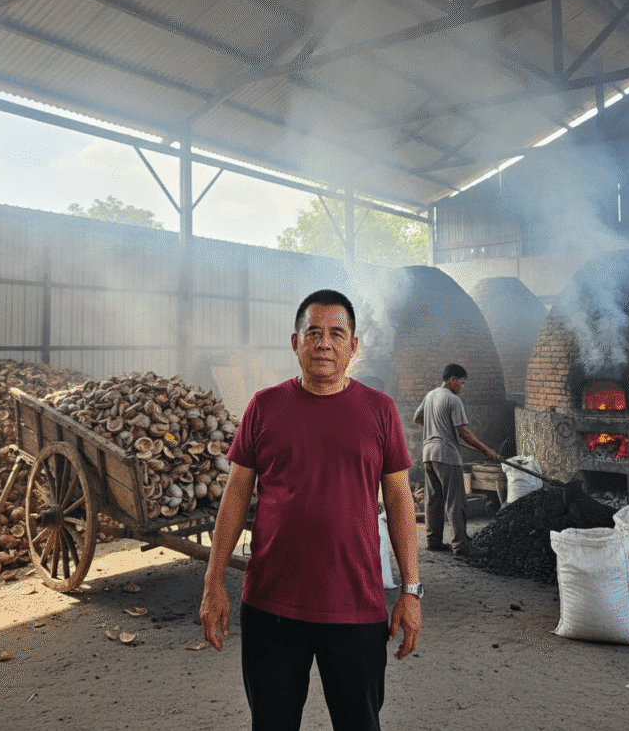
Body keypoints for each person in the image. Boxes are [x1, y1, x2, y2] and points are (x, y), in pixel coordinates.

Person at [200, 289, 421, 731]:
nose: (324, 344)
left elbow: (399, 499)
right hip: (272, 606)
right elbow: (236, 494)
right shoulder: (264, 406)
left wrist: (411, 591)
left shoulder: (379, 410)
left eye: (336, 334)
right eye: (313, 332)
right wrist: (213, 582)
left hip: (356, 606)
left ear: (353, 346)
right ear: (295, 342)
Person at [414, 363, 500, 556]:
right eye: (461, 383)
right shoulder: (453, 400)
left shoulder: (431, 395)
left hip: (428, 454)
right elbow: (463, 432)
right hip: (446, 455)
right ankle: (461, 545)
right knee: (455, 501)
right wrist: (487, 450)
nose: (462, 387)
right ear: (452, 379)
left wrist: (436, 430)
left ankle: (433, 541)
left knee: (434, 500)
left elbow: (417, 418)